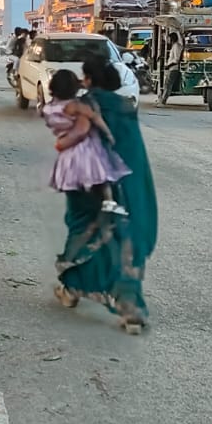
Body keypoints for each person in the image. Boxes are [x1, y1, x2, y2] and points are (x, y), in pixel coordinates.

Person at [52, 59, 157, 334]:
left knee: (85, 232)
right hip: (129, 184)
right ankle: (131, 309)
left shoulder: (86, 104)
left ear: (87, 79)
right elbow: (134, 151)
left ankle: (73, 288)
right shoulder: (126, 107)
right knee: (125, 242)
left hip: (91, 184)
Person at [42, 68, 130, 219]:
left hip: (66, 152)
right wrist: (108, 133)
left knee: (74, 181)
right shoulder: (75, 106)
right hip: (85, 148)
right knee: (100, 175)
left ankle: (80, 206)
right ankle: (108, 201)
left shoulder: (48, 108)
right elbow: (95, 118)